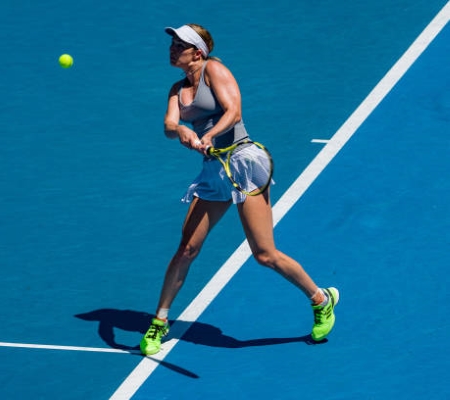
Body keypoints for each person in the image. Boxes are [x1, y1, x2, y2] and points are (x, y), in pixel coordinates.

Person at [139, 23, 339, 356]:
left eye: (180, 44)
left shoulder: (214, 69)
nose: (172, 48)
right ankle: (159, 322)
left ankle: (321, 299)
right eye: (172, 43)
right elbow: (169, 126)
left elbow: (233, 112)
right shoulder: (176, 89)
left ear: (198, 52)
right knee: (186, 249)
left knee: (264, 254)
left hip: (244, 162)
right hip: (213, 170)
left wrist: (205, 134)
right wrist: (183, 133)